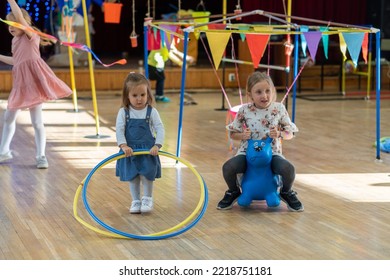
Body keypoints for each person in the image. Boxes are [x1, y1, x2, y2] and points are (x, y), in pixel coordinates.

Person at [217, 71, 304, 212]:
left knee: (289, 169)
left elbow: (290, 134)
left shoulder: (279, 108)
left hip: (272, 153)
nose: (264, 96)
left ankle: (286, 192)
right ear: (250, 94)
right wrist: (242, 135)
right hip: (247, 153)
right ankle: (233, 191)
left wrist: (280, 133)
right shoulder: (244, 110)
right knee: (228, 167)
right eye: (259, 92)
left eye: (267, 91)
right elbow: (233, 134)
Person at [0, 0, 72, 168]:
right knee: (8, 117)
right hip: (20, 84)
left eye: (14, 23)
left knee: (37, 122)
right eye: (8, 24)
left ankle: (41, 156)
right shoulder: (15, 41)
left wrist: (11, 1)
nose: (11, 27)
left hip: (34, 82)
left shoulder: (31, 36)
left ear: (23, 24)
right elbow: (17, 60)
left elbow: (19, 17)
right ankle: (4, 152)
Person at [115, 72, 165, 214]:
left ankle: (147, 198)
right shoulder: (123, 112)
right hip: (130, 151)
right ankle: (135, 201)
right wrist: (123, 145)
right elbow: (119, 130)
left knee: (147, 175)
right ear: (127, 96)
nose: (139, 99)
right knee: (133, 176)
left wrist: (157, 145)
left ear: (148, 94)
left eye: (142, 95)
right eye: (135, 95)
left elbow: (160, 128)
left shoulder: (152, 111)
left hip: (148, 151)